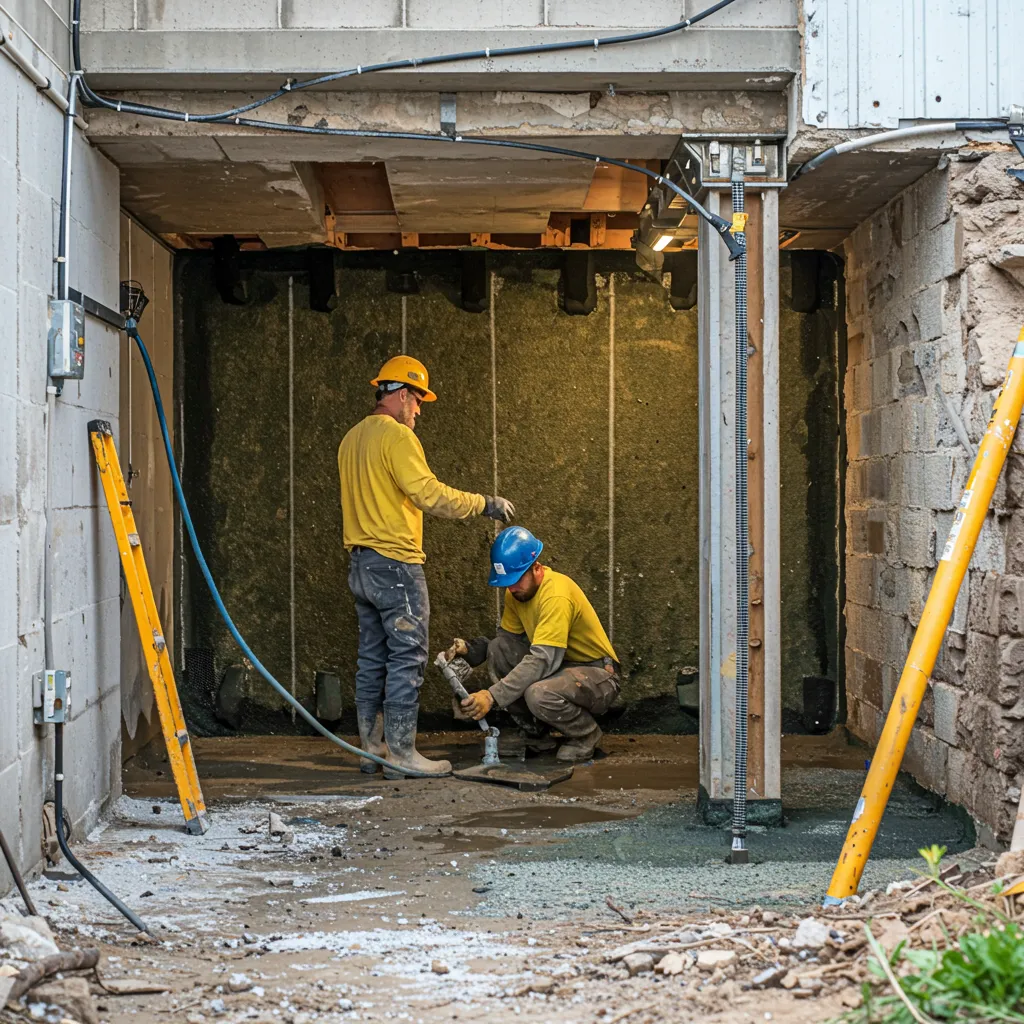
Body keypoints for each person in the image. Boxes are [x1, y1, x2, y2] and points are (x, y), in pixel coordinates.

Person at [338, 355, 515, 778]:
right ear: (400, 395)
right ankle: (401, 755)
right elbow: (428, 493)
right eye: (417, 400)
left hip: (361, 566)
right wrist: (483, 504)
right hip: (396, 566)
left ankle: (372, 750)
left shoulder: (351, 440)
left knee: (372, 658)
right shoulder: (396, 437)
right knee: (406, 658)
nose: (419, 410)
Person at [458, 526, 620, 762]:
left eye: (516, 580)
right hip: (559, 667)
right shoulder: (516, 592)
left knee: (539, 693)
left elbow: (543, 659)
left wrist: (490, 696)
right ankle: (537, 734)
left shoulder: (556, 595)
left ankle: (586, 735)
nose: (511, 588)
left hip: (598, 673)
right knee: (499, 649)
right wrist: (471, 650)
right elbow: (506, 642)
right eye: (507, 582)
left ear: (536, 568)